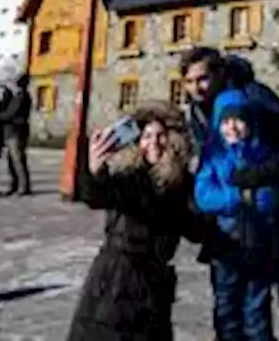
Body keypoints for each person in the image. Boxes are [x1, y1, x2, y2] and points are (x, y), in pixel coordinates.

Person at [181, 47, 279, 341]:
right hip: (232, 213)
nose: (197, 88)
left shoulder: (255, 95)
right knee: (233, 289)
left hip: (275, 199)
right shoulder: (197, 111)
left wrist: (262, 176)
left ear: (219, 73)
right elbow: (209, 157)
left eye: (202, 79)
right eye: (190, 82)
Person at [67, 105, 204, 340]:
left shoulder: (182, 184)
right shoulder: (130, 176)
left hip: (154, 281)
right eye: (147, 136)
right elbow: (98, 196)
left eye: (160, 135)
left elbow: (195, 229)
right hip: (115, 277)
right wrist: (95, 171)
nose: (154, 142)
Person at [195, 95, 279, 341]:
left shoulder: (261, 154)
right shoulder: (213, 156)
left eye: (238, 121)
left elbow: (271, 193)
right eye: (226, 121)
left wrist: (260, 198)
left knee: (257, 304)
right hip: (225, 240)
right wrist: (237, 197)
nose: (232, 127)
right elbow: (203, 195)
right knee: (226, 305)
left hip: (258, 239)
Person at [0, 74, 33, 196]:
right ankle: (15, 185)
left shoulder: (21, 97)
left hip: (16, 132)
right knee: (12, 161)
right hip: (12, 132)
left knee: (18, 160)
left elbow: (11, 114)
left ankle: (23, 187)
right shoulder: (18, 96)